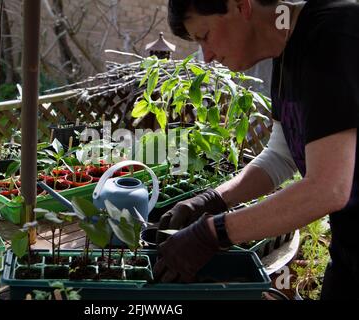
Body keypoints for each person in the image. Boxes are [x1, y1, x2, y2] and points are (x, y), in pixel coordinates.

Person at [153, 0, 359, 300]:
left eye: (205, 36)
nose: (206, 57)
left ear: (241, 6)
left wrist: (214, 233)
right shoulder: (287, 52)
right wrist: (213, 200)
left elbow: (328, 188)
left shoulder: (335, 33)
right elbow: (281, 154)